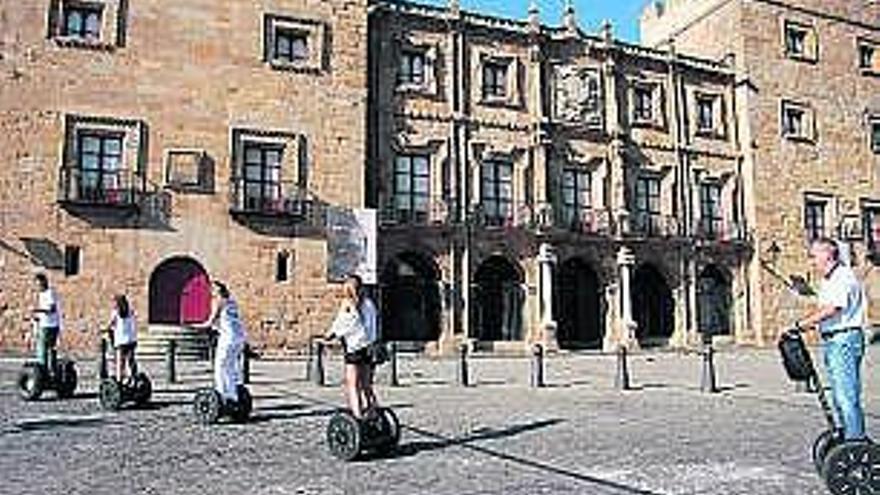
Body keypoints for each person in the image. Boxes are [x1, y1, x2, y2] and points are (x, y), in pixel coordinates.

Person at [795, 237, 868, 441]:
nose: (811, 261)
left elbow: (832, 309)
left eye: (813, 256)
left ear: (828, 254)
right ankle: (849, 438)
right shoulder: (829, 279)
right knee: (838, 396)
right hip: (834, 340)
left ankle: (856, 443)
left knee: (846, 397)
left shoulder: (842, 277)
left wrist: (801, 325)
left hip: (844, 339)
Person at [325, 274, 380, 418]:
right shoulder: (369, 304)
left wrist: (331, 334)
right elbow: (373, 325)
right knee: (367, 385)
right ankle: (374, 413)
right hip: (368, 348)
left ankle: (358, 416)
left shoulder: (348, 304)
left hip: (354, 349)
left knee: (353, 385)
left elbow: (343, 324)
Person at [196, 281, 246, 404]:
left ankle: (222, 396)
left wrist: (195, 326)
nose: (211, 293)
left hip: (228, 338)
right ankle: (234, 395)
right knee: (231, 367)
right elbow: (227, 321)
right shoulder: (232, 302)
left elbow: (210, 321)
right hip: (239, 337)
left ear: (217, 292)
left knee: (220, 367)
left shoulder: (218, 302)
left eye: (212, 290)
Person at [31, 274, 62, 369]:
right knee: (48, 348)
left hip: (49, 326)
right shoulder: (42, 294)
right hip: (45, 324)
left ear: (43, 282)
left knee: (43, 348)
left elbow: (52, 309)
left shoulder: (50, 293)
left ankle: (43, 369)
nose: (37, 286)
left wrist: (38, 310)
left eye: (38, 284)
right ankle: (49, 368)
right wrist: (38, 317)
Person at [105, 294, 138, 382]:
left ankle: (119, 381)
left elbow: (110, 324)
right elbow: (134, 323)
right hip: (131, 339)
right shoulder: (131, 311)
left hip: (120, 341)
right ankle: (134, 377)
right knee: (131, 360)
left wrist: (107, 329)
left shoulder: (115, 313)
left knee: (120, 362)